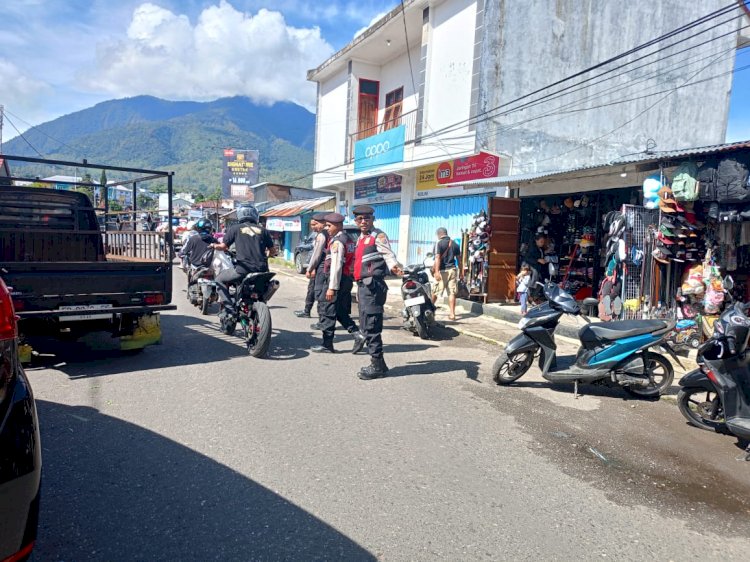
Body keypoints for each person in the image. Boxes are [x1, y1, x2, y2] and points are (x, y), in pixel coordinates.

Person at [351, 205, 403, 380]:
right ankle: (379, 363)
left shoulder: (378, 236)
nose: (363, 222)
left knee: (372, 327)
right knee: (366, 325)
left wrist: (395, 267)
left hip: (373, 287)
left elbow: (388, 255)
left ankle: (377, 366)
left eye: (367, 218)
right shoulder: (361, 238)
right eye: (360, 219)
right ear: (356, 221)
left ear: (373, 219)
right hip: (363, 287)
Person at [310, 213, 366, 354]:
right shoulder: (348, 239)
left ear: (338, 225)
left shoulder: (338, 242)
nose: (327, 228)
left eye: (329, 226)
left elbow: (336, 266)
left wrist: (331, 288)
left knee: (327, 311)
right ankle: (357, 334)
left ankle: (327, 345)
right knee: (339, 311)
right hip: (346, 279)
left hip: (336, 280)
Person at [211, 204, 276, 318]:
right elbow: (273, 251)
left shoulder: (235, 229)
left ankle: (230, 309)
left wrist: (214, 245)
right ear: (255, 215)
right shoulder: (263, 230)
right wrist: (268, 255)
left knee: (219, 279)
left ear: (240, 215)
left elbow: (223, 247)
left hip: (243, 270)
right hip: (262, 270)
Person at [294, 213, 328, 319]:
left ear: (322, 223)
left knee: (317, 291)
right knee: (312, 289)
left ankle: (321, 318)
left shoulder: (323, 235)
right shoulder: (319, 234)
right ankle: (307, 310)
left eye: (314, 224)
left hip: (320, 268)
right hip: (318, 267)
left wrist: (311, 268)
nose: (312, 227)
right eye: (311, 225)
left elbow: (317, 253)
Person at [431, 227, 462, 320]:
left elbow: (437, 258)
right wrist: (461, 272)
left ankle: (429, 310)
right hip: (453, 270)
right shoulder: (455, 244)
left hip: (442, 271)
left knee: (435, 292)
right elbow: (459, 259)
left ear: (439, 234)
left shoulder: (438, 243)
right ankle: (452, 314)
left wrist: (436, 272)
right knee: (451, 293)